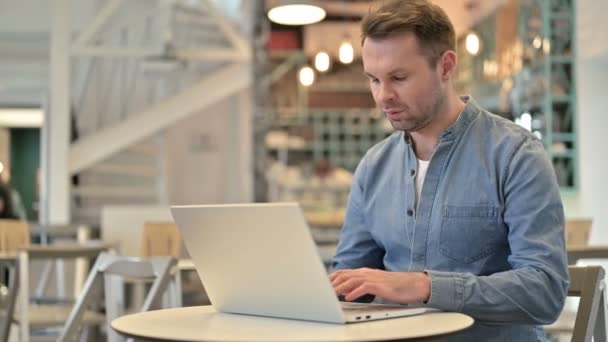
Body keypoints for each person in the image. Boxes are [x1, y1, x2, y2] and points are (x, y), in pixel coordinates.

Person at [329, 1, 568, 340]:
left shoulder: (516, 155)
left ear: (446, 66)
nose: (383, 96)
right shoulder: (373, 167)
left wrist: (426, 286)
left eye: (399, 77)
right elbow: (349, 278)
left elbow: (544, 292)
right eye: (374, 80)